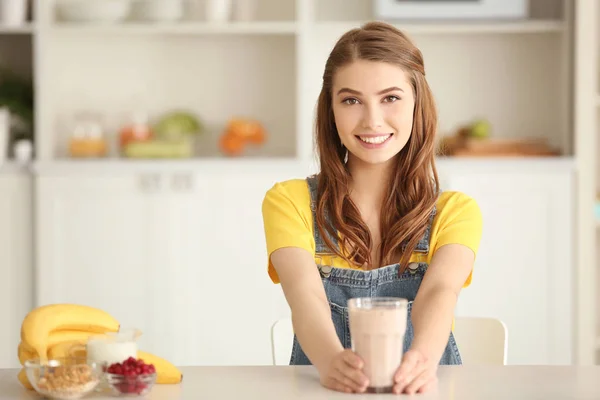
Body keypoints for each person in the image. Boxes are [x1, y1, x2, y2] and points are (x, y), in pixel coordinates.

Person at [261, 21, 482, 395]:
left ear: (417, 103)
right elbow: (305, 295)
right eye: (351, 100)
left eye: (390, 98)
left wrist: (422, 361)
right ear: (330, 110)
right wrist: (331, 360)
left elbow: (439, 292)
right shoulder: (289, 201)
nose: (372, 120)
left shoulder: (455, 211)